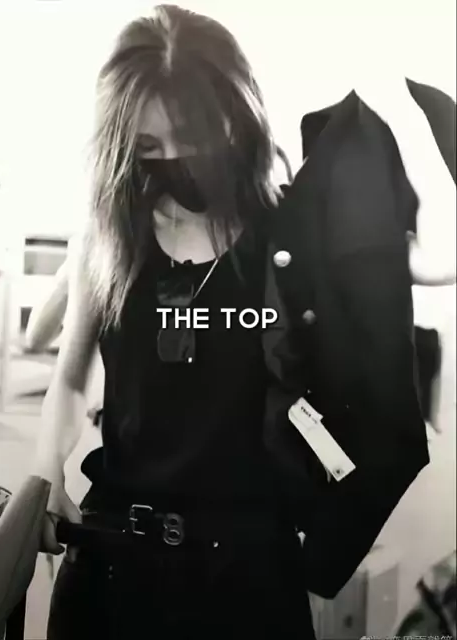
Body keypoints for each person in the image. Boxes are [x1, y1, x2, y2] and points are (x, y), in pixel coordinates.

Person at [32, 5, 445, 639]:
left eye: (190, 136)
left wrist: (406, 108)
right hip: (113, 566)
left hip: (249, 576)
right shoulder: (110, 235)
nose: (174, 161)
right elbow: (68, 378)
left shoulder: (293, 232)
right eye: (149, 147)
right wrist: (45, 469)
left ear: (235, 115)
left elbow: (431, 261)